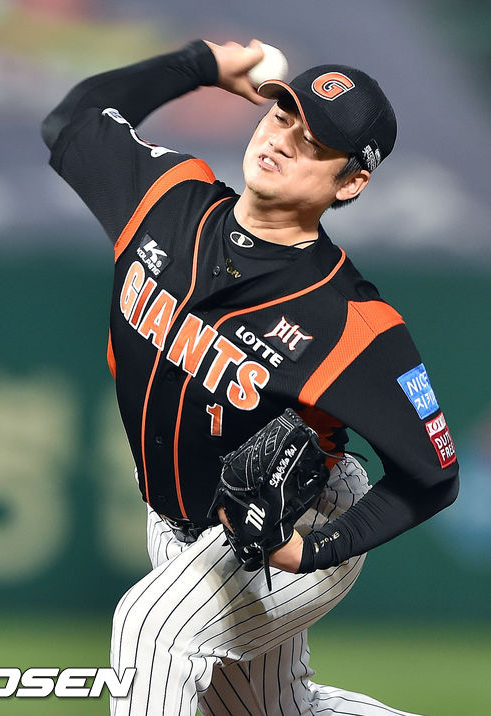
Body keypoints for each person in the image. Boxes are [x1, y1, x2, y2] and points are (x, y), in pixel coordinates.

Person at [42, 38, 459, 716]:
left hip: (290, 521)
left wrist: (315, 549)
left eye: (314, 143)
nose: (282, 140)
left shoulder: (349, 320)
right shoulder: (166, 198)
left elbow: (434, 474)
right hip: (177, 522)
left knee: (153, 632)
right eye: (282, 116)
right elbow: (71, 121)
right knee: (269, 711)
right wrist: (200, 65)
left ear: (350, 182)